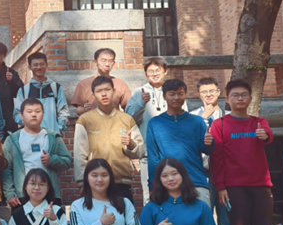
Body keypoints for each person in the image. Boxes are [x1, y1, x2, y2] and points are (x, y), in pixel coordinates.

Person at [209, 79, 283, 225]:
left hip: (261, 187)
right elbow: (216, 158)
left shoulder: (259, 122)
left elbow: (268, 135)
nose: (240, 98)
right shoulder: (220, 125)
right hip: (234, 188)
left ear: (250, 98)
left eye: (244, 95)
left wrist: (265, 136)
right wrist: (221, 187)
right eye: (235, 95)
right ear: (227, 99)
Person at [74, 77, 143, 206]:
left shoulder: (126, 119)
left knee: (124, 216)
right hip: (96, 183)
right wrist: (82, 183)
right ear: (93, 95)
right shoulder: (85, 120)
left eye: (107, 90)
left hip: (121, 181)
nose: (104, 94)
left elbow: (140, 151)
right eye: (99, 91)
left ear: (114, 91)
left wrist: (131, 145)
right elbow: (79, 154)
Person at [125, 57, 183, 203]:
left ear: (165, 71)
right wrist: (141, 102)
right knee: (149, 193)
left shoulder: (174, 91)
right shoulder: (138, 92)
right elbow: (128, 118)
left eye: (158, 70)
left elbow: (183, 117)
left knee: (174, 192)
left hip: (172, 150)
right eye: (151, 71)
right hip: (148, 152)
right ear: (145, 74)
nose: (155, 74)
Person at [145, 79, 211, 204]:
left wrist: (210, 142)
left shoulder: (196, 121)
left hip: (196, 181)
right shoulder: (155, 124)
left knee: (203, 216)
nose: (176, 97)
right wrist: (153, 187)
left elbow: (207, 150)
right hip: (168, 185)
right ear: (164, 96)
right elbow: (153, 159)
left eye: (180, 93)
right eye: (172, 94)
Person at [191, 77, 232, 225]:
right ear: (198, 95)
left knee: (225, 212)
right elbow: (189, 140)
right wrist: (202, 119)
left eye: (212, 91)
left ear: (218, 93)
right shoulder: (192, 117)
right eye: (204, 92)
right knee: (205, 212)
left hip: (225, 172)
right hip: (201, 171)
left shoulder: (228, 116)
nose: (208, 95)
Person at [4, 98, 72, 208]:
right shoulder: (12, 139)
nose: (34, 115)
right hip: (22, 194)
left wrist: (52, 160)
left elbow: (68, 161)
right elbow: (6, 169)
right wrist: (10, 194)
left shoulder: (52, 137)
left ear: (43, 114)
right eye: (29, 111)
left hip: (49, 193)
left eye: (37, 111)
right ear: (21, 115)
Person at [13, 52, 69, 135]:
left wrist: (59, 129)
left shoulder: (56, 88)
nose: (39, 67)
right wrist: (29, 127)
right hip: (31, 136)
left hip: (52, 136)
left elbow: (63, 111)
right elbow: (18, 114)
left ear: (46, 65)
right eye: (35, 65)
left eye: (42, 64)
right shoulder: (24, 91)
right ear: (29, 67)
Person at [70, 48, 132, 115]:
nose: (107, 64)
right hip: (92, 121)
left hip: (114, 120)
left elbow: (129, 107)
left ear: (114, 63)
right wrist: (84, 110)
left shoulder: (120, 84)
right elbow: (78, 110)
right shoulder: (84, 84)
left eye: (110, 61)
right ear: (95, 62)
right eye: (103, 60)